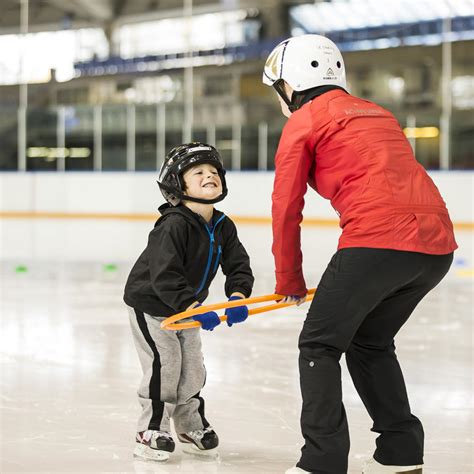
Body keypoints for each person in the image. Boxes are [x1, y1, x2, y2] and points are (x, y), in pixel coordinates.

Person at [262, 34, 457, 474]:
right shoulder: (378, 112)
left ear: (289, 85)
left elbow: (285, 206)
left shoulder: (305, 120)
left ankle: (322, 461)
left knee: (318, 343)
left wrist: (288, 278)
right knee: (369, 342)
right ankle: (400, 452)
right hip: (436, 244)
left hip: (377, 239)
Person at [124, 142, 254, 461]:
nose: (210, 176)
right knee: (165, 366)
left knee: (192, 368)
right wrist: (192, 305)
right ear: (177, 184)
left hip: (189, 308)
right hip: (153, 305)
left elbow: (238, 264)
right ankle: (150, 429)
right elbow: (164, 273)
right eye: (198, 172)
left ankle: (188, 424)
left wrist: (237, 295)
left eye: (214, 172)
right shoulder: (173, 224)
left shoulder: (223, 224)